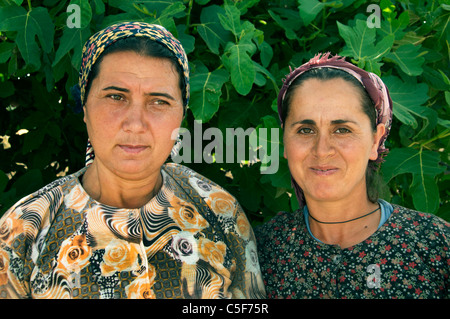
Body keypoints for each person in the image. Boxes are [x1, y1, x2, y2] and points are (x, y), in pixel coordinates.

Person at [0, 22, 265, 299]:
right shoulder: (23, 230)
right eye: (116, 96)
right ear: (86, 107)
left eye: (159, 101)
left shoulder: (220, 212)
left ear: (181, 116)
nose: (136, 124)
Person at [255, 52, 449, 299]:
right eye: (305, 130)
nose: (322, 150)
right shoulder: (260, 251)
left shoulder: (435, 246)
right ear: (285, 141)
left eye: (342, 130)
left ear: (375, 140)